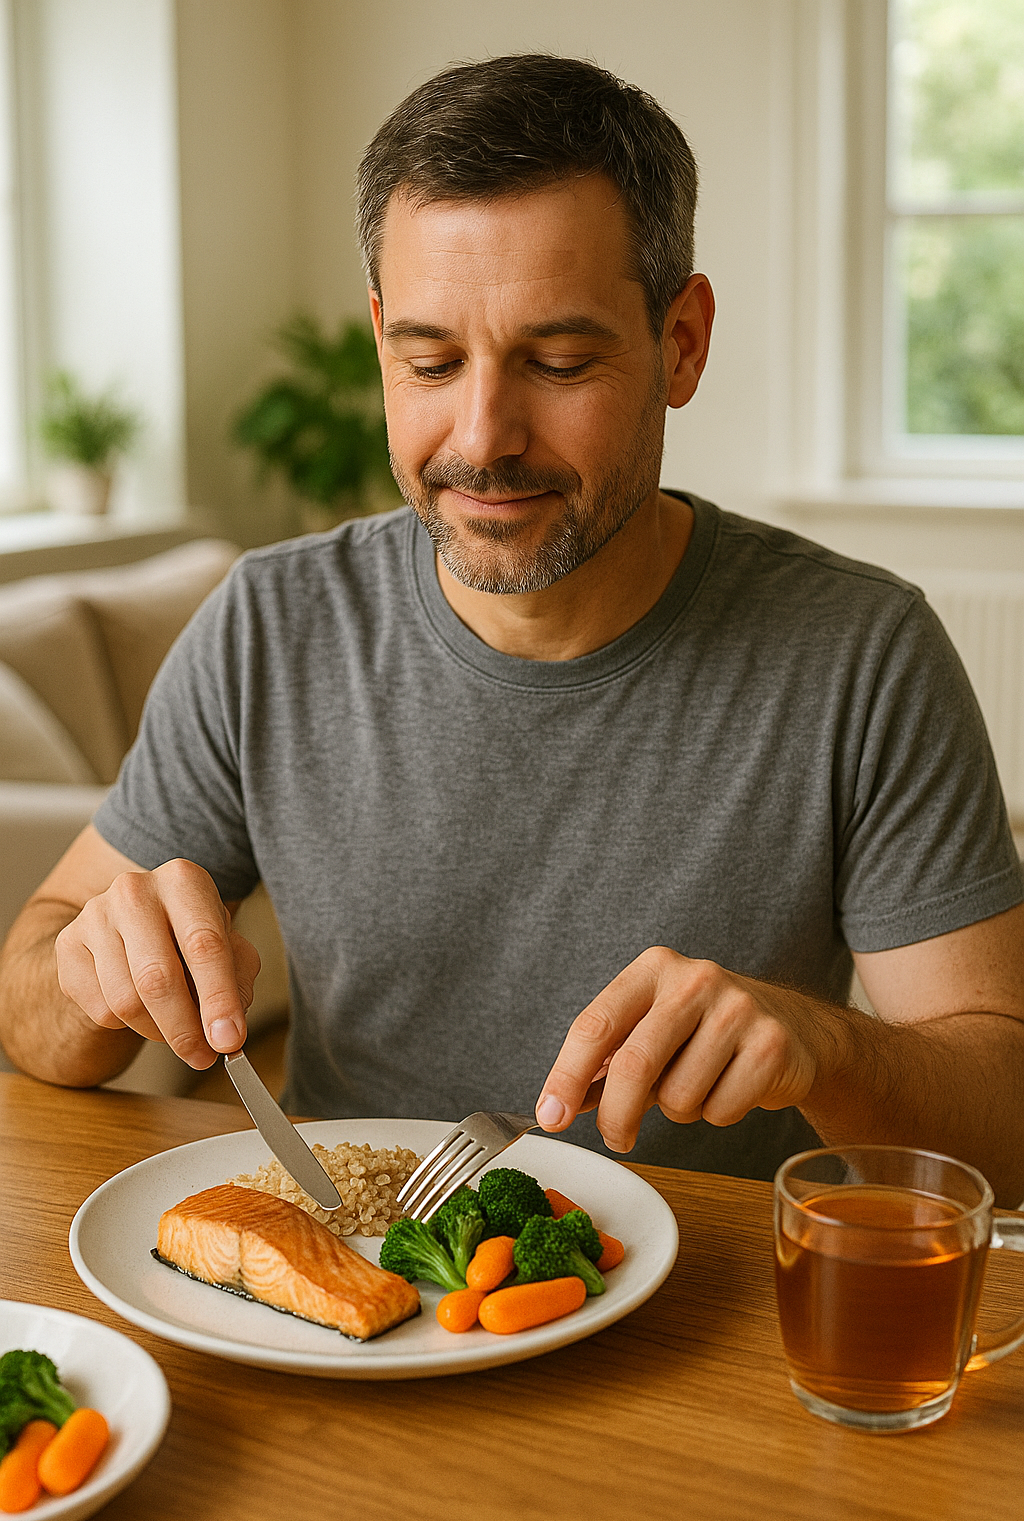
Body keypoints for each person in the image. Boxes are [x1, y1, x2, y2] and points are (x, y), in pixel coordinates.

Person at [2, 55, 1023, 1199]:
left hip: (698, 1325)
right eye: (429, 360)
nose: (482, 435)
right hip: (353, 1288)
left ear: (680, 342)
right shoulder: (268, 625)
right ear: (381, 336)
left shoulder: (860, 654)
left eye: (559, 360)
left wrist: (826, 1044)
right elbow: (34, 992)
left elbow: (1005, 1120)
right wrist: (88, 979)